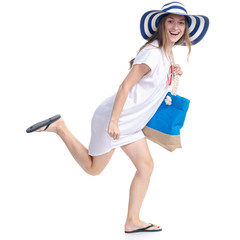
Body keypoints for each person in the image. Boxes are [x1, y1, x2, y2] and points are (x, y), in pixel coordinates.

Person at [26, 2, 209, 233]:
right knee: (93, 169)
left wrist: (174, 71)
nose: (176, 27)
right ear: (162, 24)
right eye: (170, 21)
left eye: (181, 22)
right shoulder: (152, 53)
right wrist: (113, 122)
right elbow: (125, 86)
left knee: (146, 166)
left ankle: (132, 221)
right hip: (115, 119)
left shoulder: (164, 53)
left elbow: (152, 83)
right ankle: (60, 127)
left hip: (129, 124)